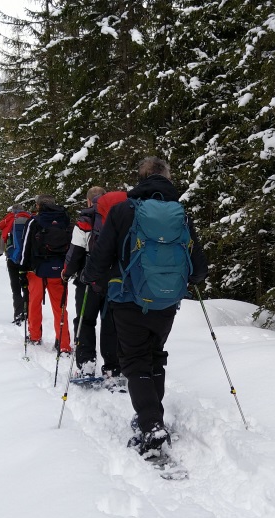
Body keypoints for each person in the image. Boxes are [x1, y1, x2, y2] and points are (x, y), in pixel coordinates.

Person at [82, 157, 208, 455]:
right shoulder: (179, 212)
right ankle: (152, 418)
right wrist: (190, 280)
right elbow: (198, 264)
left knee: (135, 361)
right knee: (154, 356)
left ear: (140, 178)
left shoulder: (123, 210)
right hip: (167, 299)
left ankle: (151, 425)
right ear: (167, 178)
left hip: (128, 297)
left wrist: (91, 278)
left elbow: (102, 253)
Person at [62, 186, 120, 380]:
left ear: (88, 201)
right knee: (110, 323)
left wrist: (67, 273)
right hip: (114, 279)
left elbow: (75, 252)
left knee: (85, 321)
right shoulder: (119, 215)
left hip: (88, 279)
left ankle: (86, 364)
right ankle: (112, 368)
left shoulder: (85, 220)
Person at [19, 195, 72, 353]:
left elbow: (25, 247)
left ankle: (35, 336)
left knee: (34, 304)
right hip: (60, 271)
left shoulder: (34, 221)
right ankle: (63, 344)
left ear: (38, 205)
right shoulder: (65, 220)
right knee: (60, 307)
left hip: (36, 271)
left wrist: (22, 270)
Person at [0, 205, 30, 325]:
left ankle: (18, 313)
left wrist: (0, 252)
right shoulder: (29, 220)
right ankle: (28, 311)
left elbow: (3, 238)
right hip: (27, 260)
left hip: (12, 259)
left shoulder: (10, 220)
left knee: (16, 287)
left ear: (12, 211)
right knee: (27, 287)